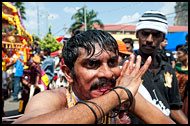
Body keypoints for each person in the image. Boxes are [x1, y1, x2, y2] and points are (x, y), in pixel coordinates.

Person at [13, 30, 176, 124]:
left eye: (112, 62)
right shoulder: (53, 99)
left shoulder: (123, 95)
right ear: (69, 73)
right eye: (92, 64)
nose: (106, 73)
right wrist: (117, 96)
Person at [120, 10, 187, 124]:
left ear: (163, 38)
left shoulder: (168, 69)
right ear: (137, 35)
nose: (150, 40)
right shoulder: (126, 67)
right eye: (145, 33)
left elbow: (174, 108)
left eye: (156, 35)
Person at [175, 44, 188, 118]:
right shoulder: (177, 67)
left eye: (179, 53)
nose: (177, 55)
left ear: (187, 54)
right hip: (177, 99)